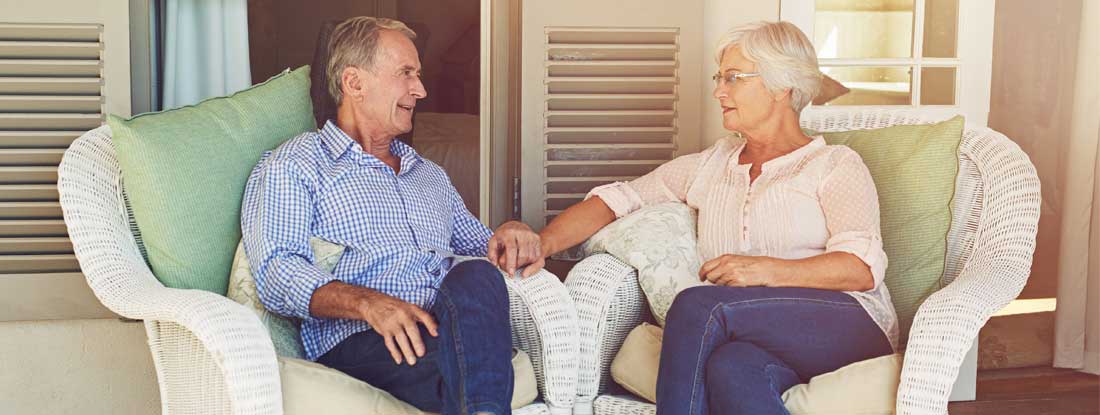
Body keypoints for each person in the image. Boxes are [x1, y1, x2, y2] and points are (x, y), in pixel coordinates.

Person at [527, 21, 898, 414]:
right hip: (759, 339)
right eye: (719, 77)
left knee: (698, 306)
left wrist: (761, 270)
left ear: (781, 86)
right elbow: (617, 200)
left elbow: (860, 267)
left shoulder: (833, 165)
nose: (719, 90)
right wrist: (541, 243)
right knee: (731, 367)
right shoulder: (711, 165)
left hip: (849, 324)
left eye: (734, 78)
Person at [240, 17, 541, 415]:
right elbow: (277, 271)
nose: (421, 89)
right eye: (406, 74)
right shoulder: (297, 164)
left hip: (444, 334)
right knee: (478, 369)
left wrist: (511, 232)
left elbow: (487, 248)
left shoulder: (429, 176)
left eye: (418, 75)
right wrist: (369, 303)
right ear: (354, 83)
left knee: (477, 276)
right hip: (362, 340)